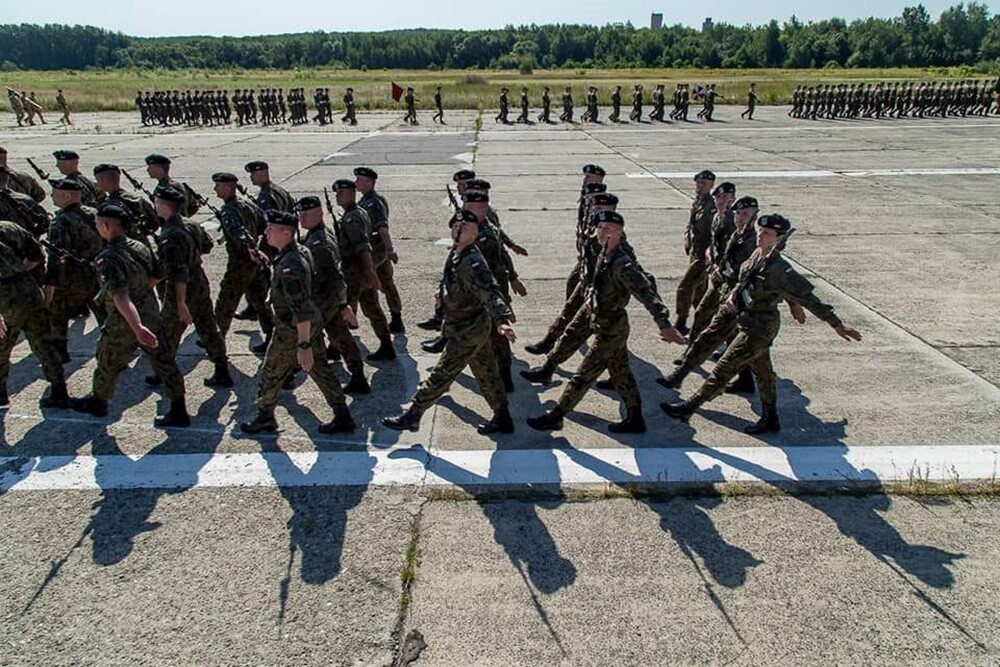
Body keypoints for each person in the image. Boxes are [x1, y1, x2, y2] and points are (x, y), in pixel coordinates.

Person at [661, 214, 863, 433]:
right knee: (763, 372)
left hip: (759, 327)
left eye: (767, 233)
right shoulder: (758, 254)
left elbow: (810, 300)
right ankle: (770, 418)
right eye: (760, 230)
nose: (760, 235)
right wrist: (732, 296)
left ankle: (689, 407)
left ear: (778, 239)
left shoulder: (781, 270)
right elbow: (743, 280)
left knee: (724, 368)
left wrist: (837, 325)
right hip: (745, 318)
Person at [527, 211, 685, 433]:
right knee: (621, 373)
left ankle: (557, 415)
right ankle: (635, 418)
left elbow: (645, 291)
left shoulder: (622, 263)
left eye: (607, 228)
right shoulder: (602, 253)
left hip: (611, 327)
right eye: (600, 227)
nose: (601, 232)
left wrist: (664, 325)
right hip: (598, 318)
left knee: (584, 374)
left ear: (619, 232)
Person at [383, 210, 516, 435]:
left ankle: (413, 415)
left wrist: (502, 320)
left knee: (441, 375)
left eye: (464, 227)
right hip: (468, 326)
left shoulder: (473, 262)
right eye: (455, 226)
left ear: (474, 233)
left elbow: (490, 292)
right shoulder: (457, 253)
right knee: (487, 374)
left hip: (467, 331)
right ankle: (503, 418)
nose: (458, 229)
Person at [68, 204, 191, 427]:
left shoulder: (109, 257)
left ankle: (99, 401)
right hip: (150, 309)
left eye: (98, 224)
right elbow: (158, 273)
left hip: (125, 319)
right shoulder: (139, 247)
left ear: (105, 226)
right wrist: (142, 291)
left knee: (108, 359)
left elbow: (121, 298)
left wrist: (137, 328)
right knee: (164, 360)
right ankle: (179, 408)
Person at [239, 210, 357, 435]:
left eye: (271, 228)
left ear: (286, 232)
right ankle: (343, 415)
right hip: (309, 324)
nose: (266, 232)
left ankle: (265, 416)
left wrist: (303, 345)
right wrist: (265, 262)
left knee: (271, 371)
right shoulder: (297, 252)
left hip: (293, 329)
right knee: (320, 368)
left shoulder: (289, 265)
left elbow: (300, 306)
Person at [153, 185, 234, 389]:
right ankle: (222, 369)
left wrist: (180, 303)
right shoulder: (192, 225)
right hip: (199, 281)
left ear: (165, 206)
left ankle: (164, 373)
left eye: (157, 202)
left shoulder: (170, 234)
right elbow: (207, 246)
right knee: (208, 327)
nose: (155, 205)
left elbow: (177, 272)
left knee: (167, 333)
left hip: (182, 288)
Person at [294, 196, 369, 394]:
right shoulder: (317, 235)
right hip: (327, 299)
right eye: (300, 214)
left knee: (304, 338)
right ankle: (358, 376)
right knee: (340, 337)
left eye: (308, 214)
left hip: (323, 300)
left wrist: (344, 306)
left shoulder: (319, 244)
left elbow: (335, 277)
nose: (303, 217)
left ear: (320, 214)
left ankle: (288, 372)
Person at [0, 220, 68, 408]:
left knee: (2, 347)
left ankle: (0, 394)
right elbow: (37, 254)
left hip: (4, 298)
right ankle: (59, 389)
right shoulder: (10, 227)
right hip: (28, 288)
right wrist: (18, 271)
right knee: (44, 343)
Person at [332, 178, 395, 361]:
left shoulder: (353, 217)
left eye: (341, 193)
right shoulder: (358, 212)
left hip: (354, 273)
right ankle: (386, 345)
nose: (337, 196)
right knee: (372, 308)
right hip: (359, 271)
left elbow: (362, 246)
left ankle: (338, 349)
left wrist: (369, 271)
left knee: (343, 311)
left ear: (351, 193)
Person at [43, 178, 105, 363]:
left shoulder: (61, 221)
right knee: (104, 314)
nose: (52, 196)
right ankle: (114, 354)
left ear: (67, 196)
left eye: (54, 193)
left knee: (57, 315)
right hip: (96, 273)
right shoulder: (94, 214)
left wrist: (51, 282)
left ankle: (59, 352)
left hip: (71, 279)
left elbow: (56, 255)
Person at [355, 166, 404, 334]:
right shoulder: (368, 200)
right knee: (387, 280)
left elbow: (383, 227)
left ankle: (359, 317)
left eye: (360, 180)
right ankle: (396, 318)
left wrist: (390, 249)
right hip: (379, 247)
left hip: (377, 248)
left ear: (370, 182)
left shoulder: (373, 203)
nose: (356, 183)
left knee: (362, 280)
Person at [674, 169, 716, 335]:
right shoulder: (698, 202)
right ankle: (704, 324)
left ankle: (680, 322)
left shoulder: (711, 207)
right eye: (698, 183)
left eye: (703, 183)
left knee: (685, 287)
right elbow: (690, 223)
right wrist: (687, 237)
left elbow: (715, 233)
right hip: (694, 251)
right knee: (700, 292)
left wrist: (710, 255)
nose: (699, 186)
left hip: (703, 255)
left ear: (711, 185)